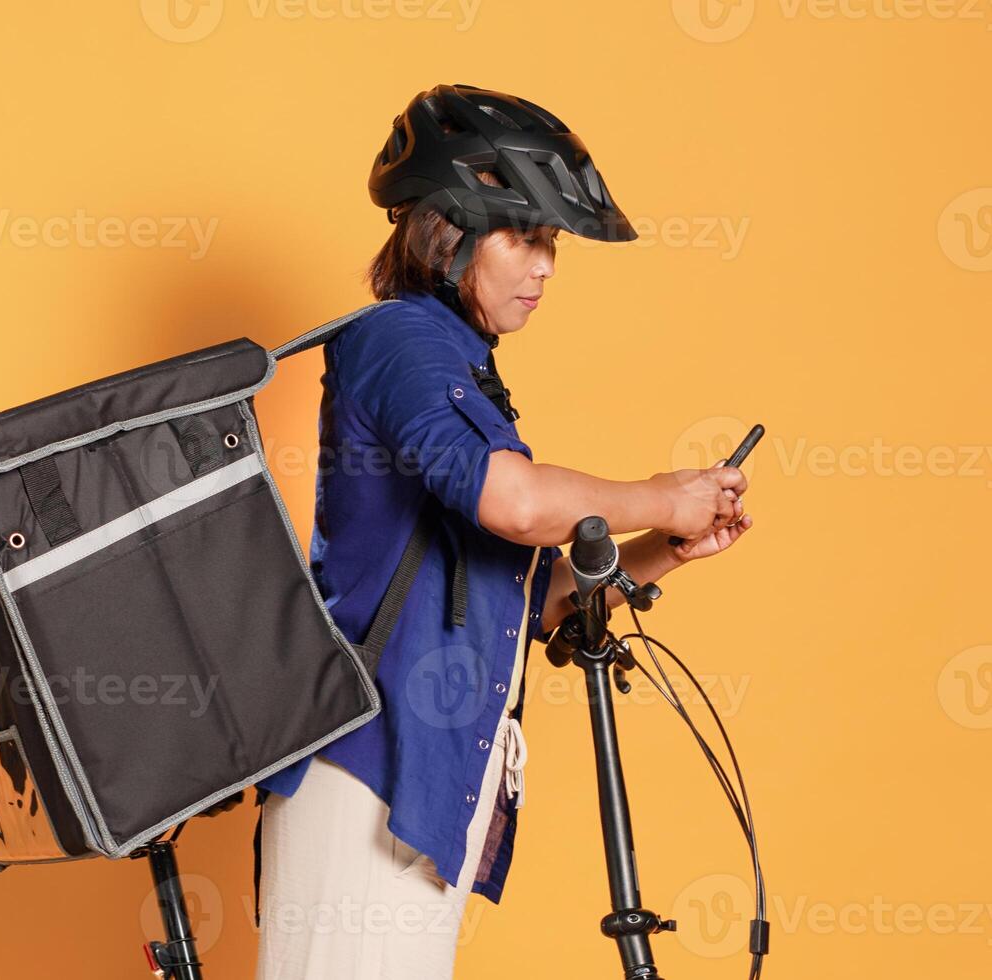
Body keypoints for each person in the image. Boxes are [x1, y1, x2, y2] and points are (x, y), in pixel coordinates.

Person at [252, 84, 755, 980]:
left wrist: (662, 549)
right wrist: (660, 494)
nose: (546, 266)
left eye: (552, 243)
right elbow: (512, 504)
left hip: (422, 781)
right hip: (363, 772)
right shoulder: (404, 340)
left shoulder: (460, 364)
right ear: (448, 232)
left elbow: (519, 595)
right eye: (524, 236)